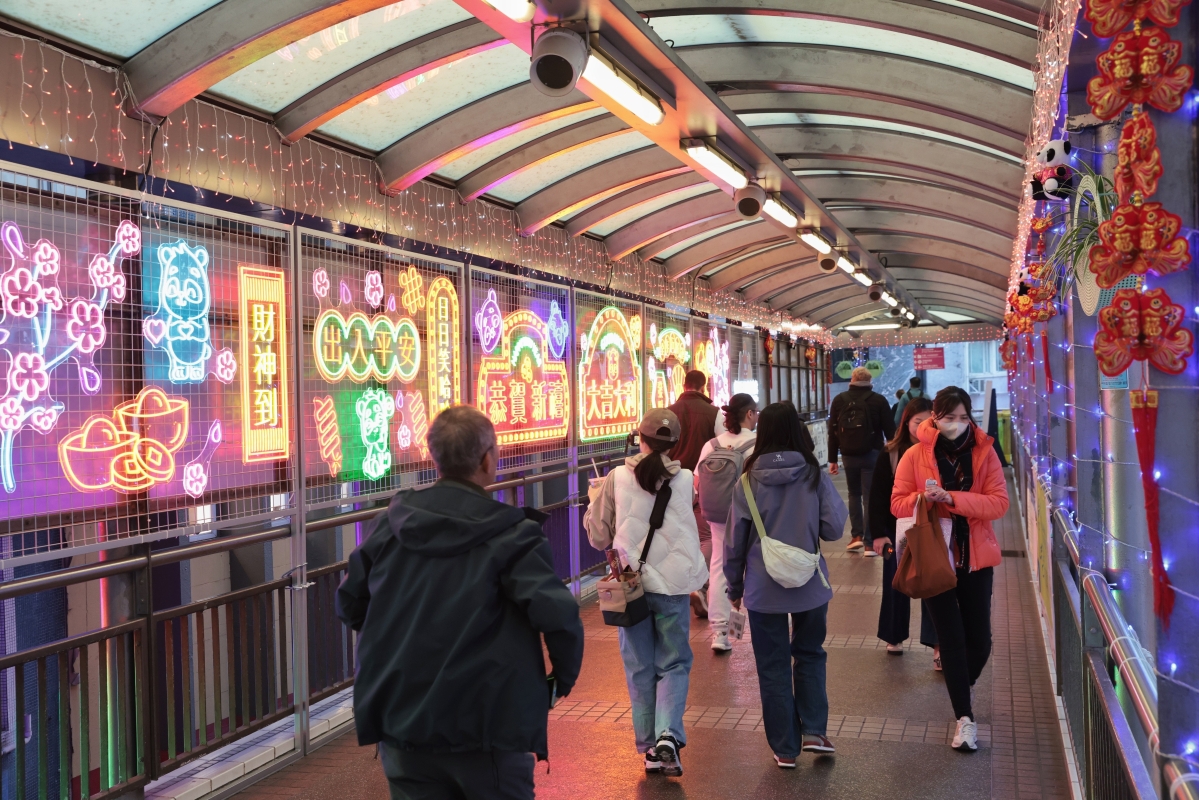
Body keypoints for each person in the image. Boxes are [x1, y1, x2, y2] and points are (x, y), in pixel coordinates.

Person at [336, 405, 584, 800]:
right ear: (487, 460)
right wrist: (559, 681)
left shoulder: (391, 524)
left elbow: (350, 602)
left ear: (434, 458)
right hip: (488, 728)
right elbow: (559, 615)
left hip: (403, 723)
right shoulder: (513, 535)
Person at [584, 408, 708, 777]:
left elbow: (599, 537)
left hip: (630, 585)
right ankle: (668, 733)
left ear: (640, 438)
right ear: (675, 443)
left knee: (639, 666)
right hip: (671, 585)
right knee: (673, 662)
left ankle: (651, 747)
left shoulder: (616, 477)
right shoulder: (686, 479)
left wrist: (595, 500)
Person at [725, 403, 848, 768]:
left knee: (772, 665)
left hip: (763, 590)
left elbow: (733, 544)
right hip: (809, 584)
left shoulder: (746, 481)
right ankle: (814, 732)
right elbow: (834, 529)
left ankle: (785, 749)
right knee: (809, 653)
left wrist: (734, 588)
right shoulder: (813, 475)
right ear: (797, 430)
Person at [891, 387, 1009, 752]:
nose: (956, 424)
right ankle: (965, 719)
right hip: (934, 558)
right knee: (951, 640)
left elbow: (998, 503)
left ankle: (962, 685)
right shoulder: (914, 454)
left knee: (981, 641)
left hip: (975, 560)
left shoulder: (984, 452)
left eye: (962, 417)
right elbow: (897, 503)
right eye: (948, 418)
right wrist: (923, 498)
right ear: (934, 418)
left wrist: (953, 498)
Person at [869, 397, 940, 663]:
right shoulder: (891, 452)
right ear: (906, 421)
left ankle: (938, 644)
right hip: (896, 532)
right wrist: (878, 534)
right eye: (917, 421)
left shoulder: (938, 451)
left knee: (935, 584)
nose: (922, 427)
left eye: (928, 422)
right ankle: (893, 635)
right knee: (895, 582)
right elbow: (877, 497)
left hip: (933, 530)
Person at [694, 393, 759, 652]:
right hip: (751, 517)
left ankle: (720, 633)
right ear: (750, 414)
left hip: (719, 517)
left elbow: (698, 483)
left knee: (719, 568)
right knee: (755, 566)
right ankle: (759, 622)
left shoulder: (711, 445)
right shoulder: (758, 443)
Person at [827, 367, 896, 552]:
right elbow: (890, 431)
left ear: (852, 379)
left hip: (848, 455)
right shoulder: (879, 400)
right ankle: (869, 543)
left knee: (853, 494)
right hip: (872, 454)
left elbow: (833, 432)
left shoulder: (839, 400)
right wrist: (893, 457)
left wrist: (832, 459)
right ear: (870, 380)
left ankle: (856, 535)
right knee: (869, 496)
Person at [668, 369, 719, 618]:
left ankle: (678, 588)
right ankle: (699, 586)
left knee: (677, 537)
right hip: (702, 483)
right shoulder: (714, 413)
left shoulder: (668, 413)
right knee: (706, 538)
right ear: (703, 386)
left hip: (671, 484)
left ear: (684, 385)